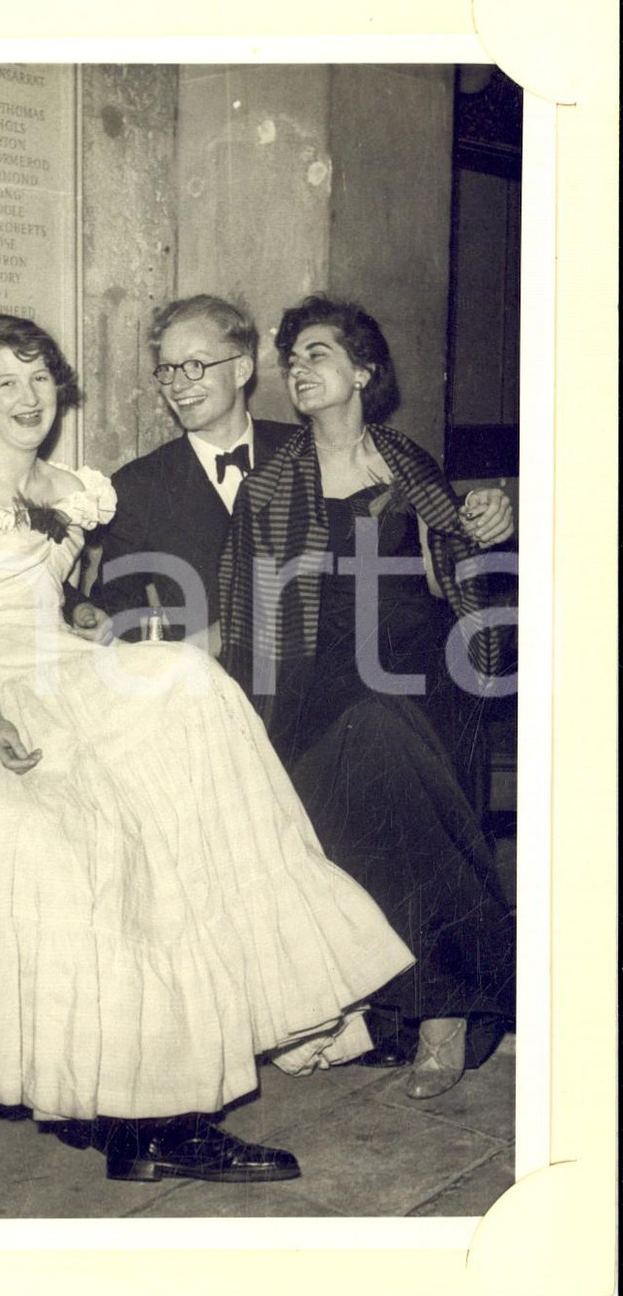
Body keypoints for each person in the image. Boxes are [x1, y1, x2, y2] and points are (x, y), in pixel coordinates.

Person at [0, 311, 415, 1185]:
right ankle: (154, 1105)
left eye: (39, 377)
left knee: (193, 684)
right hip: (2, 683)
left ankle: (264, 1000)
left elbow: (71, 603)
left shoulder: (74, 488)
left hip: (68, 662)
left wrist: (91, 620)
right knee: (118, 816)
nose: (27, 397)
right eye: (5, 381)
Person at [219, 294, 517, 1099]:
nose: (299, 368)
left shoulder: (410, 466)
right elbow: (249, 623)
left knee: (404, 731)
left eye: (317, 353)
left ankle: (445, 994)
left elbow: (453, 575)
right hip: (320, 685)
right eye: (292, 359)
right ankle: (464, 993)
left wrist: (487, 519)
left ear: (363, 371)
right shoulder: (268, 489)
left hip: (426, 669)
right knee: (376, 732)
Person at [92, 295, 292, 650]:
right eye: (167, 369)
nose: (178, 385)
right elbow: (117, 609)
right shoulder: (138, 485)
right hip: (205, 677)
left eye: (195, 365)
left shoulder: (302, 450)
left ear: (242, 370)